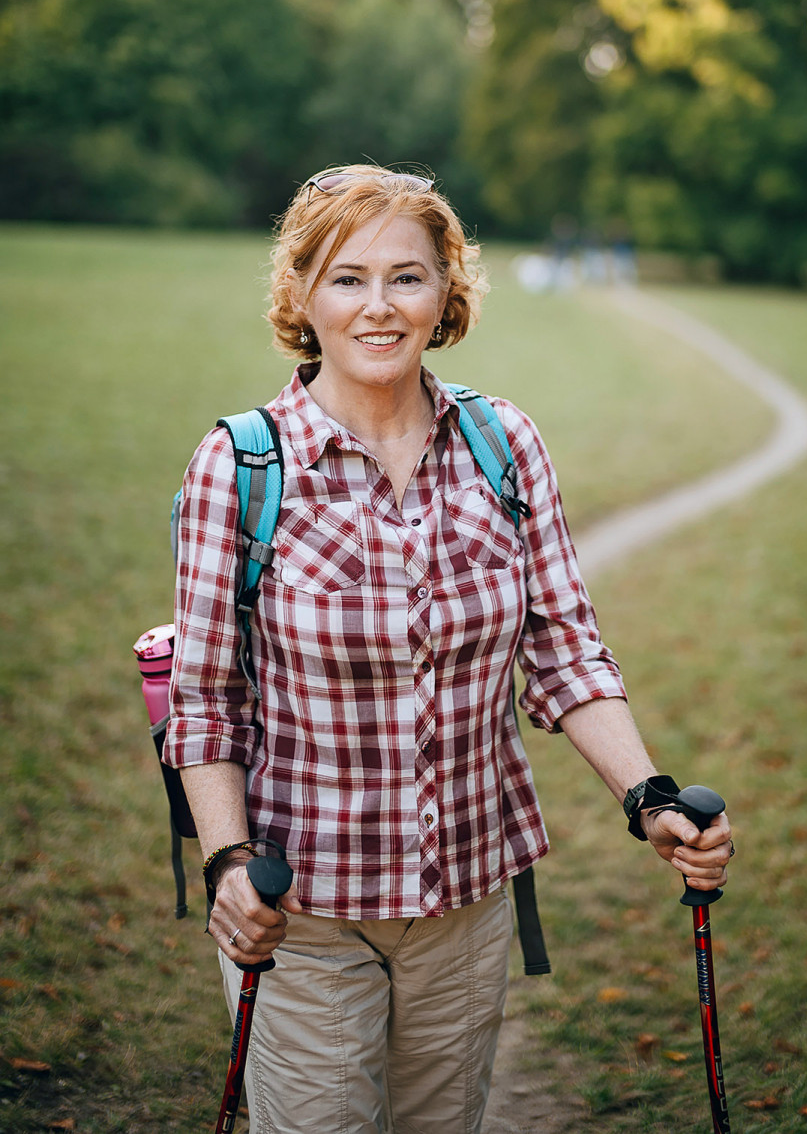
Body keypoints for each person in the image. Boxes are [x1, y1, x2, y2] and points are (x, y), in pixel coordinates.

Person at [163, 164, 733, 1134]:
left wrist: (649, 797)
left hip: (465, 903)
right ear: (302, 295)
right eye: (346, 278)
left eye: (407, 276)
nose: (378, 307)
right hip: (299, 911)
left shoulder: (502, 445)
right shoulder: (241, 466)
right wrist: (225, 863)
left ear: (447, 292)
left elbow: (564, 654)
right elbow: (205, 698)